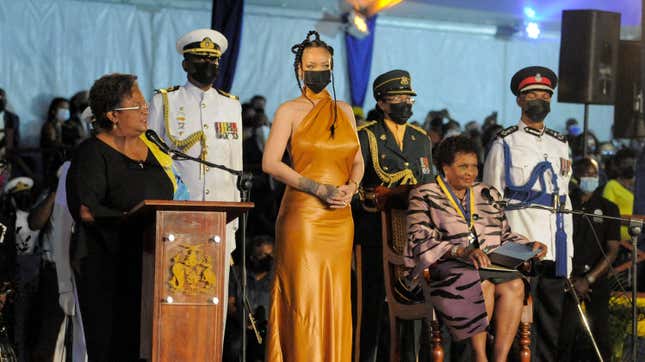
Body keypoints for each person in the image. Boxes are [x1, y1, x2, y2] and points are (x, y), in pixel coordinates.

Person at [66, 73, 185, 361]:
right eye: (137, 105)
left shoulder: (154, 151)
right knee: (114, 348)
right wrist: (132, 217)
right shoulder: (92, 153)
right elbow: (87, 210)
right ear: (112, 114)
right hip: (108, 267)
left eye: (146, 104)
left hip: (155, 267)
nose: (146, 109)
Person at [262, 30, 364, 361]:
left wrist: (352, 187)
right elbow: (270, 163)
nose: (319, 70)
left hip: (341, 216)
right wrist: (316, 188)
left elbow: (358, 160)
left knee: (336, 295)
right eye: (311, 64)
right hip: (304, 215)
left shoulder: (345, 110)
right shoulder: (288, 111)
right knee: (304, 297)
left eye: (324, 64)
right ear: (299, 70)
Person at [404, 135, 546, 362]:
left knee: (516, 285)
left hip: (489, 264)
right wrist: (459, 251)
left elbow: (504, 234)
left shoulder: (487, 193)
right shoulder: (424, 194)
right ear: (445, 168)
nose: (471, 172)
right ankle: (480, 357)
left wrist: (528, 245)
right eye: (463, 166)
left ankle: (499, 359)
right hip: (445, 268)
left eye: (474, 166)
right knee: (482, 283)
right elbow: (418, 238)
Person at [147, 29, 242, 324]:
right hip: (178, 213)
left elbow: (234, 162)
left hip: (221, 214)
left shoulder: (231, 104)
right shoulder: (165, 101)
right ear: (186, 64)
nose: (209, 66)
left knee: (215, 302)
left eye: (213, 61)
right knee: (176, 294)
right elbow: (152, 158)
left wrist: (234, 225)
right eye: (201, 60)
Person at [483, 66, 573, 362]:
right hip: (519, 243)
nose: (539, 100)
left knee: (550, 321)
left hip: (554, 244)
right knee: (518, 322)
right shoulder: (505, 142)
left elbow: (565, 200)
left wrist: (567, 253)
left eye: (545, 95)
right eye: (532, 94)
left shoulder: (560, 144)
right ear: (520, 101)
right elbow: (491, 198)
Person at [353, 69, 433, 361]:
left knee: (412, 305)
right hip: (374, 229)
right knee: (370, 305)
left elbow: (428, 185)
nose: (405, 103)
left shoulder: (420, 138)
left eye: (408, 97)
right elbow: (354, 186)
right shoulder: (366, 135)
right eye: (398, 97)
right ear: (382, 102)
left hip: (412, 235)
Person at [558, 157, 620, 361]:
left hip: (596, 280)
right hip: (568, 280)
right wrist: (571, 277)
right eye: (585, 173)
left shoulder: (609, 208)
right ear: (575, 176)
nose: (590, 177)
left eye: (594, 174)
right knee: (564, 337)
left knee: (601, 337)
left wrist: (589, 279)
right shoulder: (565, 203)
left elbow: (612, 250)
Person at [224, 235, 275, 362]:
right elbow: (229, 304)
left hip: (267, 330)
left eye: (271, 255)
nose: (269, 259)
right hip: (240, 328)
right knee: (234, 347)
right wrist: (242, 318)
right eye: (264, 256)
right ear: (252, 258)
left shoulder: (275, 278)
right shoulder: (237, 274)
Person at [603, 148, 636, 241]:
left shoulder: (639, 186)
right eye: (626, 163)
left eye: (633, 163)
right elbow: (607, 215)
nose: (631, 166)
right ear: (617, 166)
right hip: (621, 242)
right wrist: (634, 221)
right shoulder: (612, 185)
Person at [40, 97, 70, 185]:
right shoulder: (49, 126)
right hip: (52, 163)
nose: (65, 111)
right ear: (53, 111)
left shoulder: (66, 126)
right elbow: (53, 143)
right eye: (62, 108)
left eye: (67, 109)